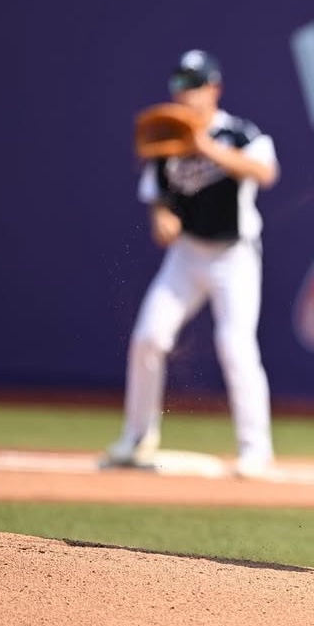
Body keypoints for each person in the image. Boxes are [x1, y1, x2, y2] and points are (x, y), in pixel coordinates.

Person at [103, 49, 280, 478]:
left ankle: (256, 451)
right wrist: (161, 216)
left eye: (195, 84)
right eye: (180, 84)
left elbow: (265, 173)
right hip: (186, 255)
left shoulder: (238, 132)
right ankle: (136, 439)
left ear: (214, 88)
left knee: (236, 345)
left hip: (234, 256)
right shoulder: (167, 135)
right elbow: (157, 196)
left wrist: (206, 147)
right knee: (148, 338)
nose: (186, 93)